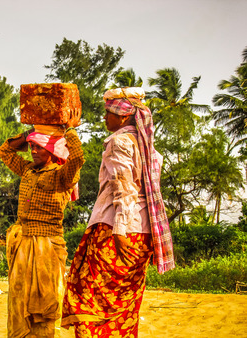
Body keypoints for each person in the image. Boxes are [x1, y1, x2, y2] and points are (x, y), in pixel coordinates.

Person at [62, 87, 175, 337]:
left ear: (123, 116)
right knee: (125, 306)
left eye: (107, 113)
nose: (104, 118)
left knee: (91, 297)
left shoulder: (119, 142)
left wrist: (119, 230)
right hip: (144, 235)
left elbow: (124, 190)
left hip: (116, 231)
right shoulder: (152, 151)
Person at [0, 108, 84, 337]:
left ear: (52, 149)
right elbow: (5, 151)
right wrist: (28, 133)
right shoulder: (27, 169)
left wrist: (68, 131)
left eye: (39, 147)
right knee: (19, 300)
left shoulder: (61, 175)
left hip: (47, 245)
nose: (34, 151)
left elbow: (77, 158)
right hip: (23, 243)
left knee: (47, 302)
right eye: (33, 147)